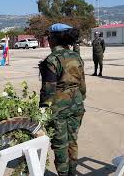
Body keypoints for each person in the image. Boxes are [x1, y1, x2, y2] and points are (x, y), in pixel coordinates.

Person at [39, 23, 86, 176]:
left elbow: (48, 91)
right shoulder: (76, 56)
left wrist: (43, 110)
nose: (48, 40)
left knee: (60, 145)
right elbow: (83, 86)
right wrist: (77, 100)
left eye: (49, 37)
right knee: (73, 141)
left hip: (58, 109)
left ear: (54, 39)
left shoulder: (52, 60)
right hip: (77, 105)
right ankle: (72, 173)